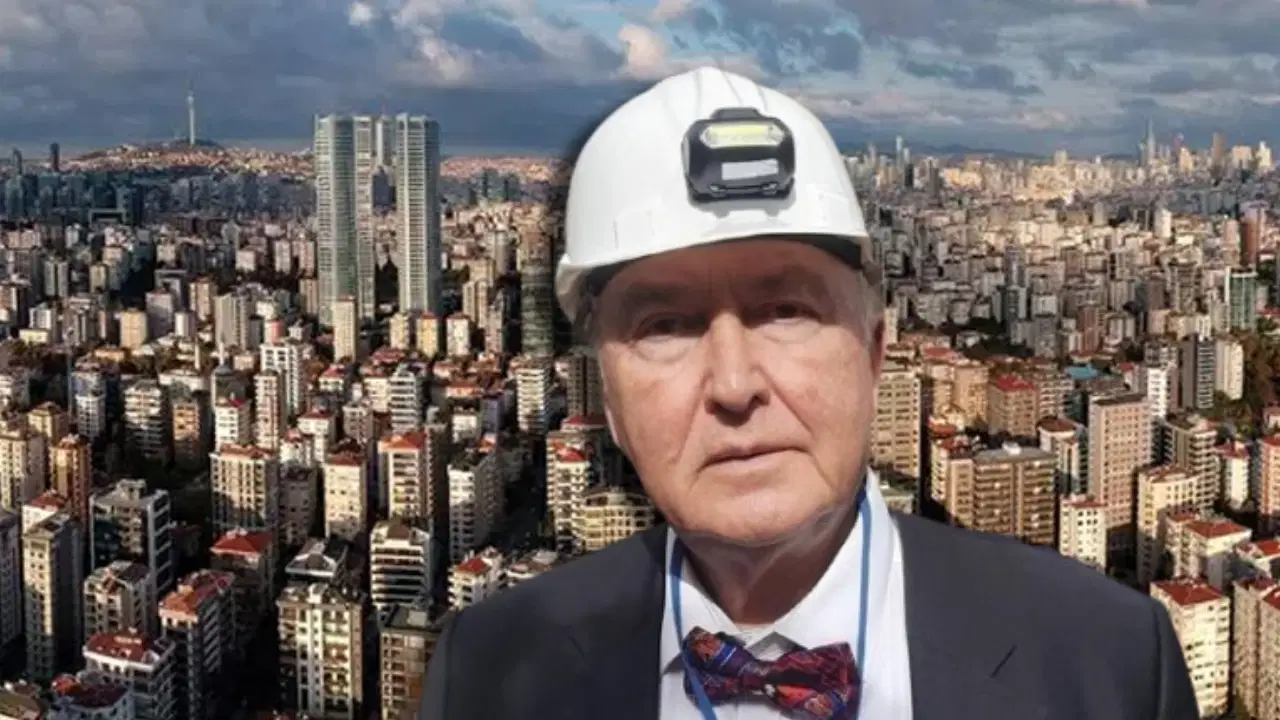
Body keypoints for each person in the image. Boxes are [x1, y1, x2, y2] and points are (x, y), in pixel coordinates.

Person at [419, 67, 1197, 720]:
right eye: (665, 325)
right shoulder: (487, 677)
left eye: (785, 312)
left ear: (875, 352)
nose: (734, 385)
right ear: (609, 399)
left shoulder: (1108, 665)